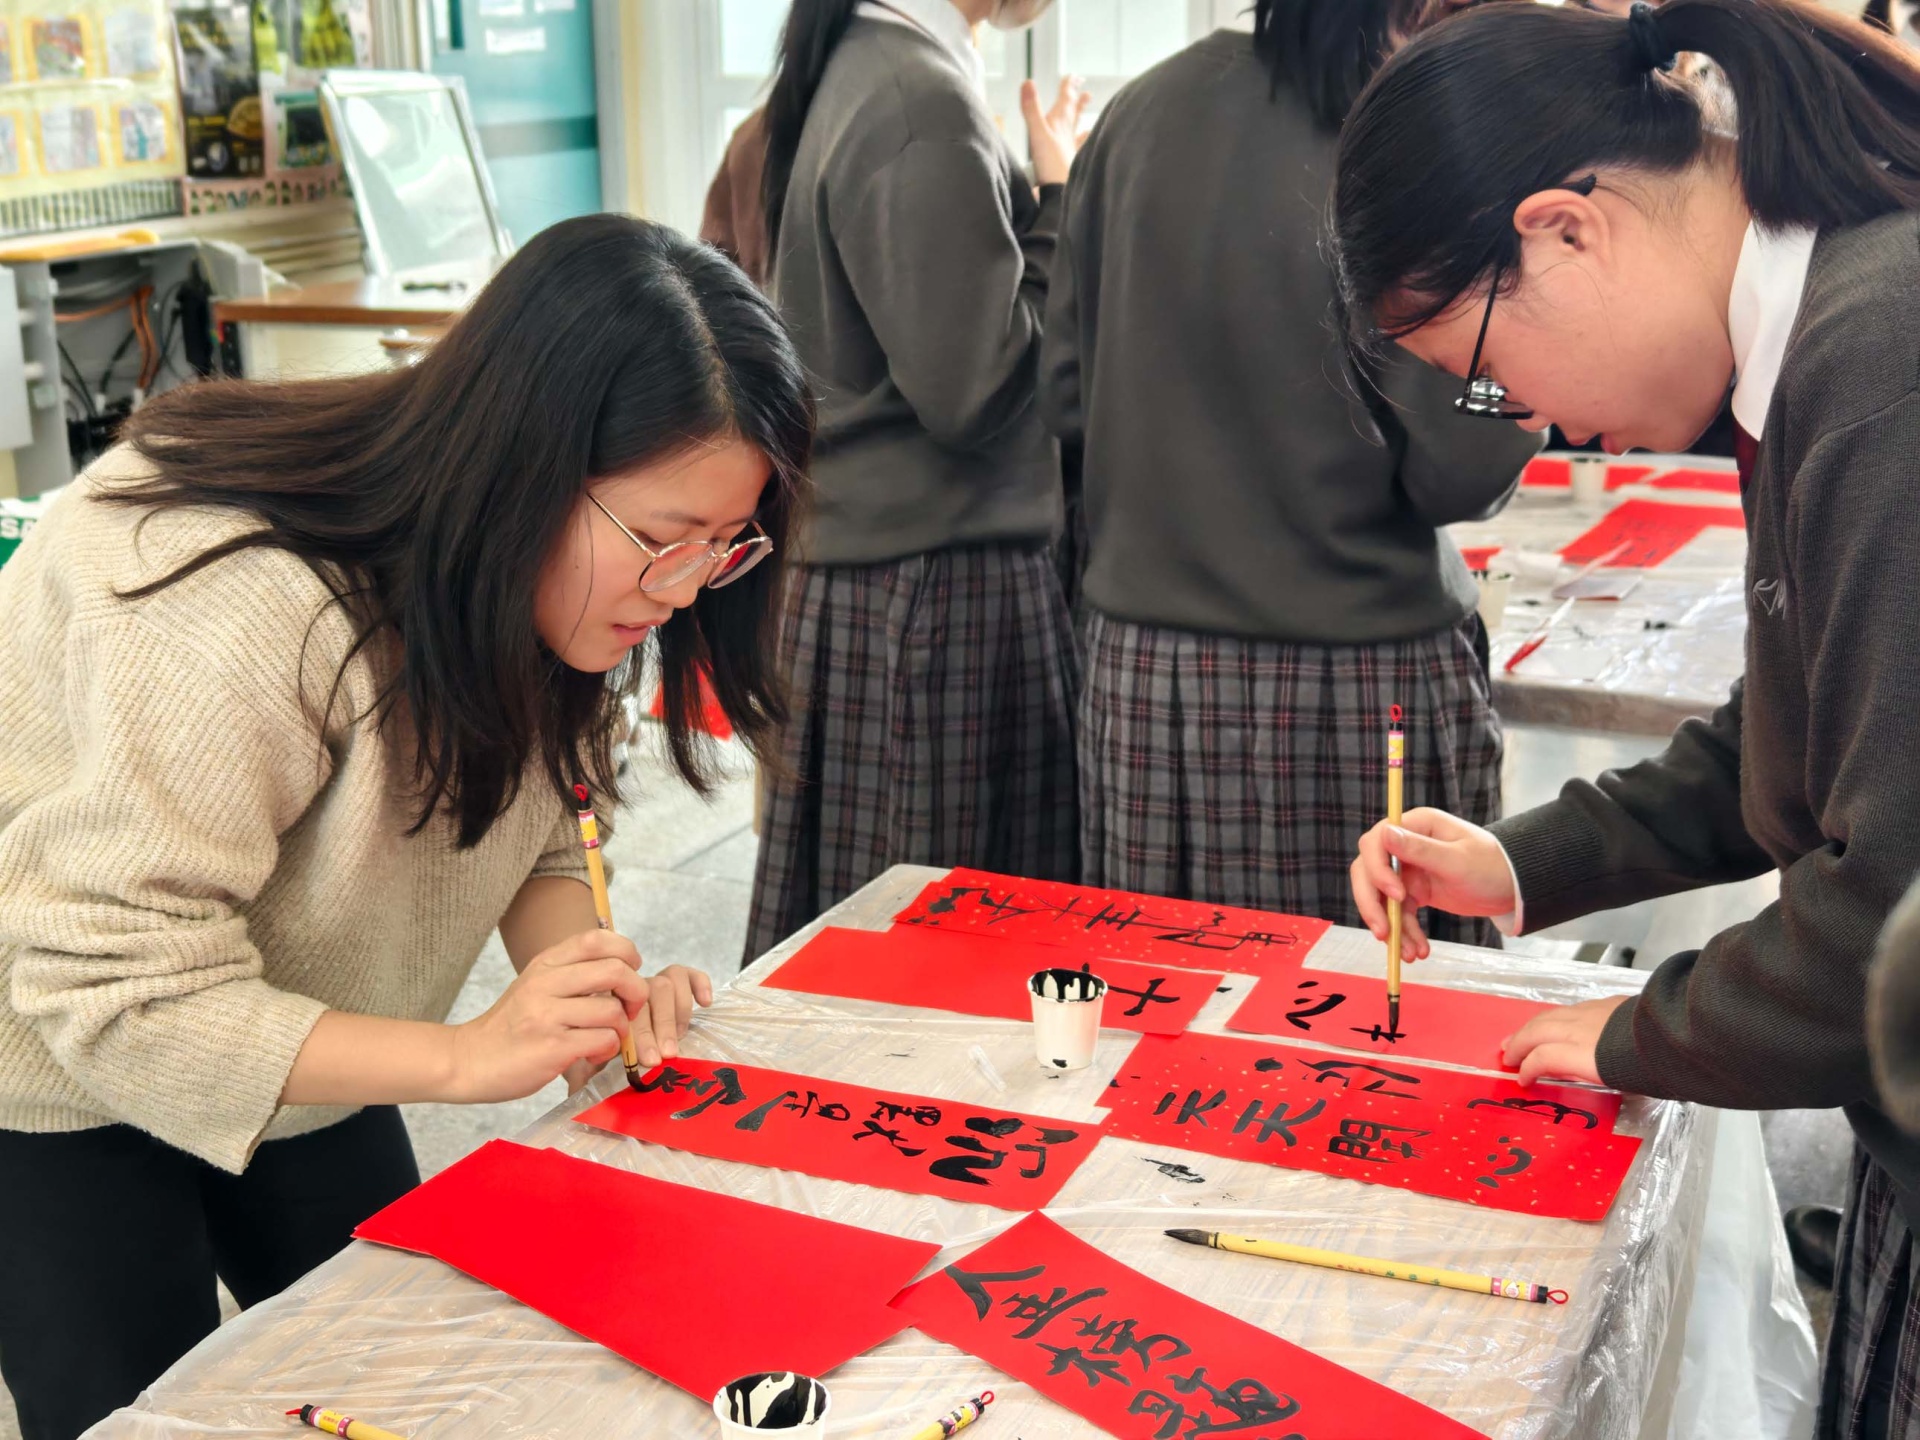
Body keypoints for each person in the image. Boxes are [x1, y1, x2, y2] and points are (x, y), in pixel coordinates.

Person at [0, 214, 812, 1440]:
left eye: (723, 546)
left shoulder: (540, 582)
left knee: (392, 1365)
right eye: (659, 540)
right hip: (61, 1055)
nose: (687, 587)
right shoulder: (241, 598)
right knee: (138, 1409)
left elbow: (546, 824)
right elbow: (111, 985)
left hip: (303, 1019)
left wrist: (578, 988)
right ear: (524, 468)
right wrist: (466, 1060)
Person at [1329, 2, 1920, 1433]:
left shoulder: (1876, 360)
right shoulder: (1820, 332)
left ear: (1565, 232)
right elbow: (1805, 724)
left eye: (1482, 368)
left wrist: (1637, 1033)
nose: (1524, 416)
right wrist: (1523, 863)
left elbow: (1895, 893)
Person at [1042, 0, 1537, 936]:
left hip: (1144, 680)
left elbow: (1065, 396)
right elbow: (1460, 468)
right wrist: (1514, 390)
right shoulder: (1401, 132)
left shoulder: (1136, 114)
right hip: (1357, 678)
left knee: (1169, 996)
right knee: (1384, 1002)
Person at [744, 0, 1089, 960]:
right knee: (935, 956)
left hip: (884, 578)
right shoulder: (914, 97)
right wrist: (1059, 197)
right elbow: (976, 390)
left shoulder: (874, 66)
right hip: (933, 592)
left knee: (874, 946)